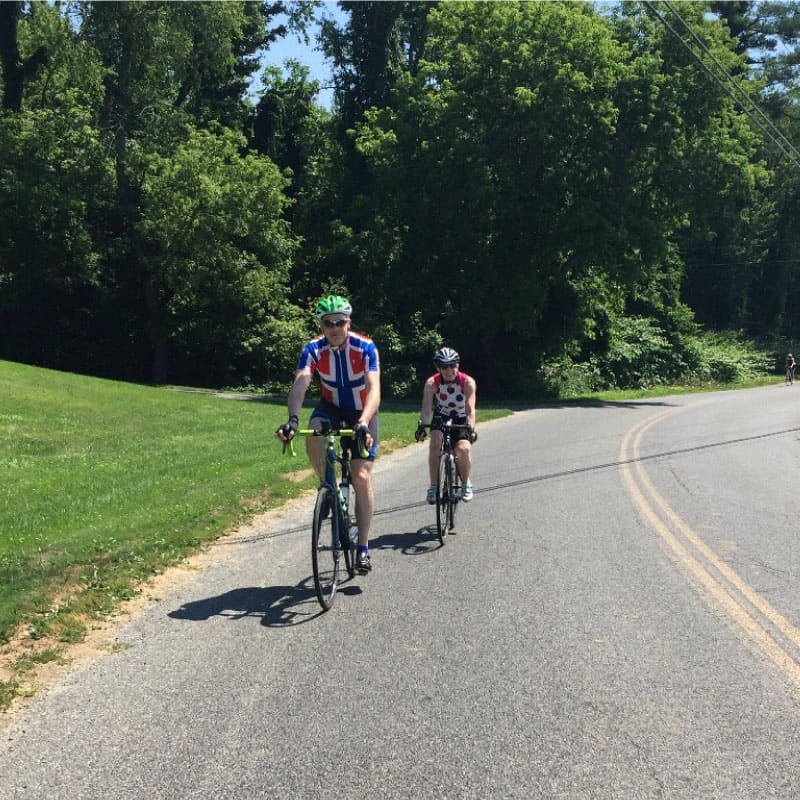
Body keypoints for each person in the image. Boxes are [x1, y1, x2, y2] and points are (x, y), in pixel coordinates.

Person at [276, 294, 381, 573]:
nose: (334, 327)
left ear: (349, 322)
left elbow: (374, 388)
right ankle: (327, 486)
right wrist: (293, 419)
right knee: (314, 433)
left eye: (340, 322)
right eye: (328, 323)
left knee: (360, 475)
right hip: (331, 407)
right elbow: (302, 381)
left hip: (362, 411)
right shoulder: (313, 348)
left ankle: (364, 547)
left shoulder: (365, 347)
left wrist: (364, 421)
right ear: (321, 325)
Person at [414, 347, 477, 504]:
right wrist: (422, 426)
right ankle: (434, 486)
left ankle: (465, 483)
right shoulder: (432, 383)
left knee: (463, 449)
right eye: (444, 366)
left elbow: (470, 409)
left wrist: (471, 428)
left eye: (453, 365)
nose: (449, 370)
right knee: (435, 442)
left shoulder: (467, 382)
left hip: (461, 417)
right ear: (438, 368)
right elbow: (426, 408)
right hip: (442, 414)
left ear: (458, 365)